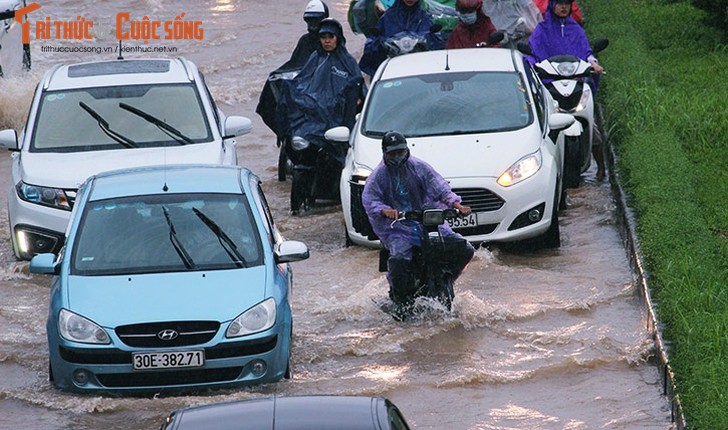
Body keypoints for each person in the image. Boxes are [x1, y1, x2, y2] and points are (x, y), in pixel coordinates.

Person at [362, 131, 475, 318]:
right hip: (399, 228)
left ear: (407, 150)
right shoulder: (378, 176)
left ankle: (447, 278)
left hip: (427, 223)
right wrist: (384, 210)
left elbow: (440, 188)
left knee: (465, 250)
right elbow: (370, 199)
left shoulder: (419, 167)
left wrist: (457, 205)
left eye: (400, 152)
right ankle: (401, 298)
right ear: (384, 153)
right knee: (399, 258)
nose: (397, 157)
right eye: (392, 154)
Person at [279, 18, 365, 214]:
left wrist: (350, 101)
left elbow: (359, 88)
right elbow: (302, 83)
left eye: (330, 37)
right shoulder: (314, 59)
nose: (327, 41)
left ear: (338, 38)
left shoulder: (348, 62)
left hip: (337, 120)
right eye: (323, 37)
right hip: (314, 118)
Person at [528, 0, 605, 179]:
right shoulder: (542, 30)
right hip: (550, 84)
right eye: (560, 3)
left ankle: (601, 167)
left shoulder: (576, 29)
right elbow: (531, 53)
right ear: (552, 5)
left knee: (592, 127)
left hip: (575, 82)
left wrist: (593, 62)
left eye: (567, 4)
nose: (563, 7)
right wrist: (532, 65)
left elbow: (586, 52)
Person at [255, 0, 330, 181]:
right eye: (309, 22)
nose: (313, 26)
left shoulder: (331, 41)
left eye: (316, 21)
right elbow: (295, 64)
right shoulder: (305, 41)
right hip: (306, 97)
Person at [358, 0, 439, 77]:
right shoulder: (388, 17)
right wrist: (379, 41)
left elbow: (434, 43)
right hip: (393, 65)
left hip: (419, 64)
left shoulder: (425, 17)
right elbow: (374, 42)